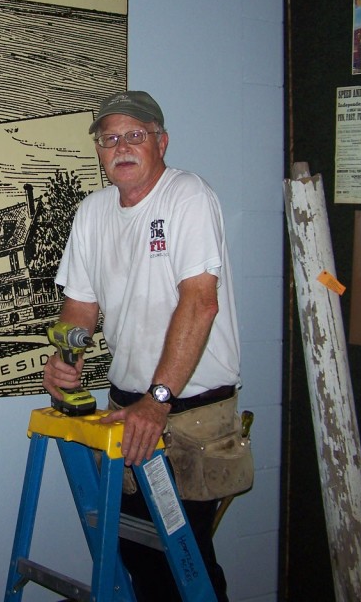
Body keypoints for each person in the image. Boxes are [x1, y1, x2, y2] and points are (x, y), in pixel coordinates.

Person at [43, 91, 243, 602]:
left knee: (185, 561)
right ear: (99, 152)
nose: (122, 146)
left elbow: (200, 303)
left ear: (161, 142)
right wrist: (66, 358)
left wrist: (157, 401)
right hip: (127, 411)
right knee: (138, 557)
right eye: (110, 138)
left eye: (135, 135)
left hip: (188, 413)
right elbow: (80, 308)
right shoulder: (92, 212)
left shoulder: (187, 196)